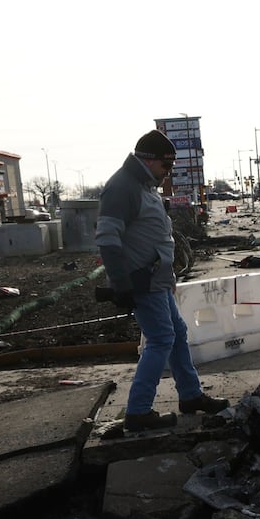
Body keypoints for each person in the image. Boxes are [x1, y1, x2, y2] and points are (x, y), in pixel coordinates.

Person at [97, 129, 229, 433]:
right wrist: (121, 284)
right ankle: (138, 411)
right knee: (160, 340)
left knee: (177, 333)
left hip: (156, 280)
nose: (168, 173)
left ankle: (190, 395)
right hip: (140, 281)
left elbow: (154, 236)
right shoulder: (122, 187)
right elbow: (107, 238)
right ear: (148, 160)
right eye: (165, 166)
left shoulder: (144, 186)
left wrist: (168, 275)